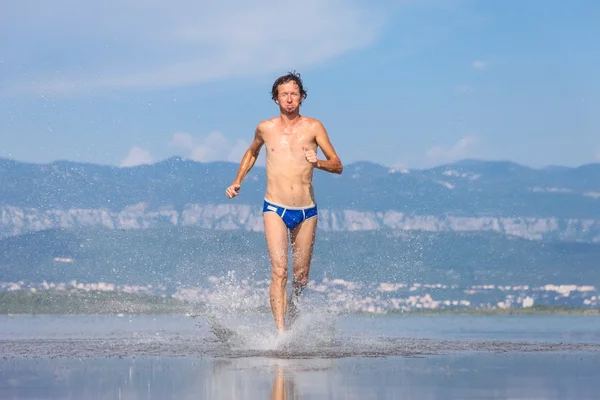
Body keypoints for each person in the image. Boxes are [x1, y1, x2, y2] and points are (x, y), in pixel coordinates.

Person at [225, 71, 343, 333]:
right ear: (276, 99)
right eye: (284, 95)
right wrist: (238, 181)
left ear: (301, 97)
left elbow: (338, 165)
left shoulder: (314, 127)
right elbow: (252, 151)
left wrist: (319, 163)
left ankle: (292, 317)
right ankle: (280, 334)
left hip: (306, 211)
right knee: (280, 272)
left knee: (300, 277)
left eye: (294, 94)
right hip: (274, 208)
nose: (289, 99)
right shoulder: (265, 128)